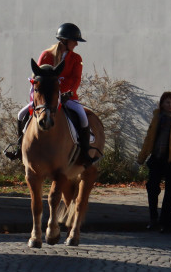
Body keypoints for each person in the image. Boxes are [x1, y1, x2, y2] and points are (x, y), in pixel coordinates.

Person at [5, 23, 100, 167]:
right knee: (20, 114)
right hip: (46, 98)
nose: (76, 44)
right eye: (74, 41)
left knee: (83, 117)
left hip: (68, 97)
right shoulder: (46, 55)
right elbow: (37, 78)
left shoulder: (76, 58)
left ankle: (85, 153)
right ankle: (19, 148)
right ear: (64, 40)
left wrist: (68, 92)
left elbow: (76, 79)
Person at [137, 91, 171, 233]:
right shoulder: (157, 118)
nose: (170, 105)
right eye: (167, 102)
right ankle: (153, 218)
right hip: (157, 158)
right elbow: (149, 139)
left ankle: (166, 223)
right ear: (162, 104)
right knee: (152, 188)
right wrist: (142, 157)